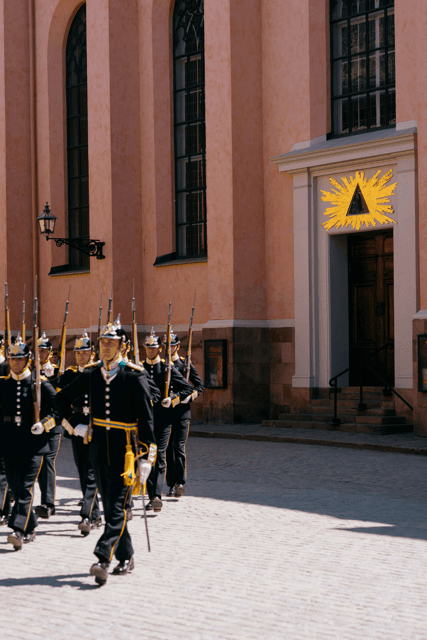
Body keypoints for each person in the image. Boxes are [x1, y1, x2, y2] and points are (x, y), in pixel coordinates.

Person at [56, 317, 157, 585]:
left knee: (117, 509)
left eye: (111, 344)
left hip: (126, 454)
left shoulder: (135, 376)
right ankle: (127, 556)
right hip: (99, 450)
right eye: (103, 343)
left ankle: (102, 558)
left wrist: (147, 458)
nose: (105, 348)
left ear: (122, 346)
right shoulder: (91, 374)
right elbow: (60, 398)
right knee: (113, 506)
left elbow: (147, 421)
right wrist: (73, 426)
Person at [0, 335, 58, 550]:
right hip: (8, 443)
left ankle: (17, 529)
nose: (16, 363)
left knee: (25, 488)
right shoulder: (3, 384)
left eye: (20, 359)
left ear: (27, 359)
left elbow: (60, 410)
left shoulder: (39, 383)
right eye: (12, 359)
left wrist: (45, 423)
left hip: (33, 444)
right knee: (15, 487)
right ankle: (30, 527)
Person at [142, 328, 192, 512]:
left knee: (160, 456)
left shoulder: (166, 368)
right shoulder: (140, 368)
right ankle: (150, 495)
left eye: (153, 348)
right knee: (149, 457)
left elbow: (188, 388)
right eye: (147, 348)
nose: (150, 351)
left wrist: (172, 398)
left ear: (159, 349)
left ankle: (156, 496)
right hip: (146, 420)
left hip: (163, 420)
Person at [57, 331, 101, 535]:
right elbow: (59, 406)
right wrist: (73, 426)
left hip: (97, 428)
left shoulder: (99, 373)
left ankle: (87, 514)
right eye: (78, 353)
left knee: (92, 472)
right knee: (83, 472)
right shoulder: (69, 375)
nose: (81, 356)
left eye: (85, 352)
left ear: (93, 352)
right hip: (77, 428)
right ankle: (96, 514)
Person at [164, 330, 203, 498]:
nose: (169, 348)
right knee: (167, 449)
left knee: (178, 447)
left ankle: (180, 482)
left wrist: (190, 397)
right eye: (166, 345)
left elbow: (199, 385)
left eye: (172, 345)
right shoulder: (162, 365)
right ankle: (171, 484)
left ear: (177, 346)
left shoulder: (184, 364)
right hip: (166, 412)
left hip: (181, 413)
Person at [35, 332, 63, 519]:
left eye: (44, 350)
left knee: (47, 462)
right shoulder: (29, 370)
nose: (40, 353)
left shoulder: (58, 371)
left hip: (52, 425)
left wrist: (54, 378)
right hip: (35, 425)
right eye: (38, 350)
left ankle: (49, 503)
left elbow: (61, 400)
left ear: (50, 352)